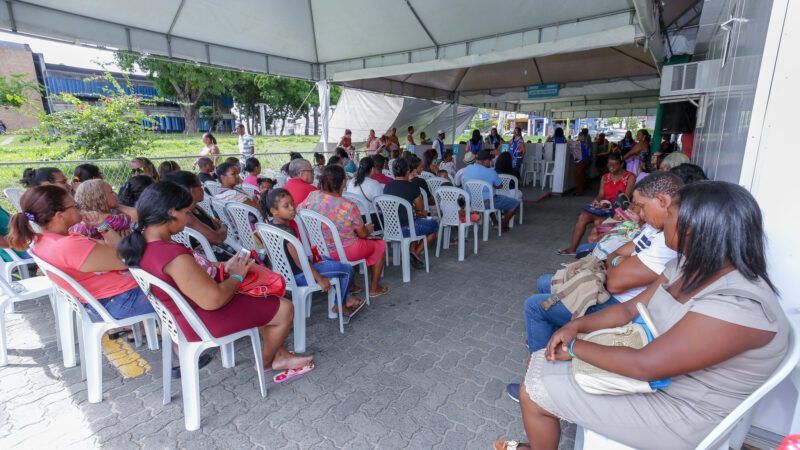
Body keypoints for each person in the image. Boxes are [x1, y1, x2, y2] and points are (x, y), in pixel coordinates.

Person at [497, 181, 788, 450]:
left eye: (671, 214)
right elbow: (629, 308)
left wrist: (574, 347)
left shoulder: (739, 305)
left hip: (680, 413)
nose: (663, 223)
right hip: (661, 380)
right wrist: (576, 326)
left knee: (535, 391)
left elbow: (645, 366)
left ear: (695, 228)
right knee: (541, 364)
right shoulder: (690, 267)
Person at [118, 181, 313, 376]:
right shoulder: (170, 254)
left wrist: (223, 267)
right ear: (171, 212)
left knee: (260, 297)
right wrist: (237, 275)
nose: (187, 220)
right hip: (203, 321)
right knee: (284, 308)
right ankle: (267, 362)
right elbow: (214, 300)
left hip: (185, 317)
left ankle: (280, 354)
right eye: (186, 213)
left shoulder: (143, 244)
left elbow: (191, 274)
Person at [7, 185, 155, 323]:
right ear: (60, 216)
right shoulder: (68, 246)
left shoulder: (46, 240)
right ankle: (172, 335)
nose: (81, 208)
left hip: (109, 300)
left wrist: (101, 225)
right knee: (176, 285)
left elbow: (118, 250)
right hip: (121, 302)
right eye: (75, 206)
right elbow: (127, 259)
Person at [261, 189, 364, 318]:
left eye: (292, 203)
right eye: (286, 206)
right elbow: (300, 262)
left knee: (325, 259)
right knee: (347, 270)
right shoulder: (288, 231)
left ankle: (347, 297)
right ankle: (341, 304)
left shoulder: (269, 226)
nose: (292, 208)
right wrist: (320, 279)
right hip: (300, 275)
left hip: (286, 274)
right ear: (273, 211)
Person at [299, 165, 389, 297]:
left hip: (320, 250)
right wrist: (368, 229)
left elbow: (298, 211)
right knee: (380, 245)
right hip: (345, 251)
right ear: (343, 182)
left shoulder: (312, 196)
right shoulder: (348, 205)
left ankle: (351, 285)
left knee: (353, 242)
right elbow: (363, 234)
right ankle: (374, 288)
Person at [557, 153, 636, 255]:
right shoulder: (605, 177)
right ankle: (573, 249)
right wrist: (597, 201)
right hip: (604, 208)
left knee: (598, 222)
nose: (611, 167)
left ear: (621, 164)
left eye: (615, 165)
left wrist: (609, 204)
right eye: (609, 165)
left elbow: (626, 198)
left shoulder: (630, 177)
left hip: (617, 211)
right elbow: (601, 195)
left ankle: (594, 254)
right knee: (583, 216)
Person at [163, 171, 233, 261]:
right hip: (211, 259)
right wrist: (225, 226)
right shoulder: (187, 215)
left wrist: (218, 230)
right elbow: (217, 238)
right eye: (200, 186)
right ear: (192, 190)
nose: (203, 189)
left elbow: (215, 224)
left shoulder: (195, 207)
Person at [383, 158, 438, 269]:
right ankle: (414, 254)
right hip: (407, 228)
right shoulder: (412, 186)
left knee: (416, 222)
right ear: (408, 171)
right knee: (434, 226)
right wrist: (425, 215)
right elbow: (420, 210)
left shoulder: (387, 186)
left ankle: (412, 254)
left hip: (390, 228)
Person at [462, 150, 519, 231]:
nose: (491, 161)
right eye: (489, 160)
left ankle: (495, 223)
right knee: (515, 204)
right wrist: (491, 185)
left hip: (472, 201)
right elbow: (500, 186)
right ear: (484, 161)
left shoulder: (467, 169)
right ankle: (504, 225)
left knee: (491, 199)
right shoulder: (491, 172)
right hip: (487, 202)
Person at [346, 157, 384, 223]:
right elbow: (382, 204)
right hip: (371, 220)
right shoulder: (374, 183)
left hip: (354, 219)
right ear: (372, 169)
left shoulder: (351, 182)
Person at [573, 128, 592, 196]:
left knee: (577, 176)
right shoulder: (586, 143)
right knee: (582, 175)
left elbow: (574, 151)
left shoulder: (578, 143)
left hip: (580, 161)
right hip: (586, 160)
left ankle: (579, 191)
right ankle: (581, 189)